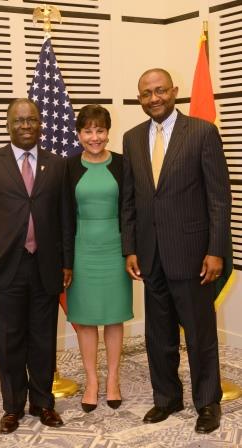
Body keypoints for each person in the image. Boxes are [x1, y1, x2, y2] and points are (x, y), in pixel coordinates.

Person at [122, 69, 231, 434]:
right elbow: (131, 202)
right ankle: (167, 399)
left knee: (200, 336)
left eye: (160, 91)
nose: (154, 98)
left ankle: (207, 403)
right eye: (146, 93)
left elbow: (219, 198)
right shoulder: (132, 138)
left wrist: (216, 250)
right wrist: (130, 248)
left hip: (192, 253)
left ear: (174, 92)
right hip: (150, 256)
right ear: (139, 97)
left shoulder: (201, 132)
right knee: (159, 335)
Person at [0, 98, 73, 434]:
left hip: (45, 265)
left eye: (32, 120)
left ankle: (43, 403)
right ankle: (12, 407)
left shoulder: (57, 164)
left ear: (41, 124)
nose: (26, 126)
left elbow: (65, 218)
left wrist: (66, 262)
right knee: (9, 338)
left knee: (43, 338)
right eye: (19, 120)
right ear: (8, 125)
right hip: (4, 267)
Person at [66, 104, 133, 412]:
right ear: (79, 134)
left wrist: (132, 251)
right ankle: (92, 380)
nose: (94, 137)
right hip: (81, 251)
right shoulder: (67, 167)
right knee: (86, 318)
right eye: (88, 131)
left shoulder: (123, 163)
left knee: (114, 316)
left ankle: (113, 380)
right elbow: (64, 216)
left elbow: (132, 211)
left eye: (100, 130)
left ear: (108, 131)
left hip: (115, 250)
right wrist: (65, 260)